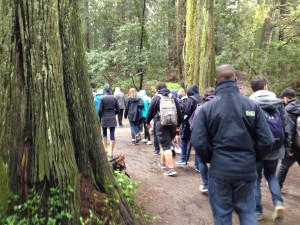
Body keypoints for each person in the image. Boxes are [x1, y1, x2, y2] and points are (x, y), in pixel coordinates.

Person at [191, 64, 274, 225]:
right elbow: (267, 141)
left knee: (222, 216)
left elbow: (198, 142)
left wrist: (212, 158)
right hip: (246, 170)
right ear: (236, 79)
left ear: (216, 81)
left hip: (220, 171)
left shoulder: (207, 108)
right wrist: (252, 157)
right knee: (247, 213)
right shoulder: (252, 106)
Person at [249, 75, 291, 222]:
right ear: (266, 87)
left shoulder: (249, 103)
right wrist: (287, 146)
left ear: (252, 89)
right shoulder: (278, 103)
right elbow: (286, 126)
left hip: (256, 149)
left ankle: (257, 211)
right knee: (271, 175)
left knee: (255, 179)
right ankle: (278, 203)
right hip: (275, 146)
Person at [146, 83, 183, 176]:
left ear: (157, 89)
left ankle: (171, 169)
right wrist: (178, 124)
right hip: (172, 124)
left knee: (166, 145)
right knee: (165, 143)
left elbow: (150, 112)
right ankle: (162, 163)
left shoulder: (156, 98)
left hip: (161, 124)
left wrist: (147, 122)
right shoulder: (173, 97)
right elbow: (179, 112)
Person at [189, 87, 215, 193]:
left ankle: (206, 184)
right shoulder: (223, 108)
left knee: (201, 161)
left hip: (203, 140)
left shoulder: (200, 108)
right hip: (217, 141)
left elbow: (192, 125)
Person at [277, 88, 300, 189]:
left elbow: (289, 130)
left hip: (294, 146)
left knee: (284, 166)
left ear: (286, 98)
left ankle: (277, 187)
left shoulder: (288, 110)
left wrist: (288, 147)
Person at [176, 85, 201, 165]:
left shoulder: (191, 99)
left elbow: (186, 111)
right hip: (199, 124)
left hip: (189, 123)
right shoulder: (200, 98)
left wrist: (182, 107)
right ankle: (198, 164)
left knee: (184, 140)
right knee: (196, 143)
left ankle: (183, 159)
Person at [98, 84, 119, 158]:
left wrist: (100, 116)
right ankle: (111, 152)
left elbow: (99, 110)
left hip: (104, 117)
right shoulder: (114, 98)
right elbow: (118, 110)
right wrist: (113, 113)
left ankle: (106, 149)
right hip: (112, 117)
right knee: (112, 134)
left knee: (104, 133)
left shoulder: (102, 98)